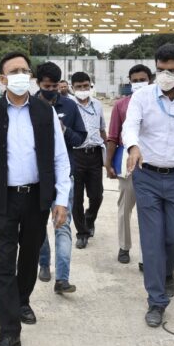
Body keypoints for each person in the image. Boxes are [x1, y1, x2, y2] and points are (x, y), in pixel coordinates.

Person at [0, 51, 70, 346]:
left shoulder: (44, 111)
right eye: (14, 71)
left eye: (25, 70)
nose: (21, 75)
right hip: (3, 198)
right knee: (4, 264)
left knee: (29, 257)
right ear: (2, 79)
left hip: (37, 196)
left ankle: (22, 299)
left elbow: (60, 157)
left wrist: (61, 199)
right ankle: (8, 333)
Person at [123, 44, 174, 327]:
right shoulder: (143, 97)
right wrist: (133, 146)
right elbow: (130, 126)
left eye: (171, 70)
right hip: (146, 175)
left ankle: (167, 272)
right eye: (161, 69)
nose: (165, 74)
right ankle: (156, 301)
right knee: (152, 240)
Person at [35, 62, 86, 293]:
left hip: (65, 176)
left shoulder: (70, 106)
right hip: (36, 178)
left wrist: (64, 130)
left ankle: (62, 278)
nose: (52, 90)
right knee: (38, 226)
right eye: (47, 86)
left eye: (55, 86)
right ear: (38, 84)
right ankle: (44, 262)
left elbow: (81, 139)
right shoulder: (28, 106)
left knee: (63, 225)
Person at [105, 64, 152, 266]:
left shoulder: (158, 104)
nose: (139, 83)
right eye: (135, 80)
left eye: (142, 80)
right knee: (125, 208)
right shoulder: (121, 105)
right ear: (129, 82)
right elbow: (113, 136)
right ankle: (124, 246)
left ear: (150, 80)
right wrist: (108, 164)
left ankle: (146, 255)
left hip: (152, 164)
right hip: (128, 164)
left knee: (149, 212)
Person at [70, 71, 106, 248]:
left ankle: (89, 218)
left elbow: (102, 129)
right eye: (79, 87)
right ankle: (82, 232)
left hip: (95, 155)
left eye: (85, 86)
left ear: (90, 85)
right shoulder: (68, 106)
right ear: (72, 88)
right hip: (75, 156)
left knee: (97, 195)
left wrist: (108, 155)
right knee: (76, 198)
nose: (83, 89)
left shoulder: (97, 105)